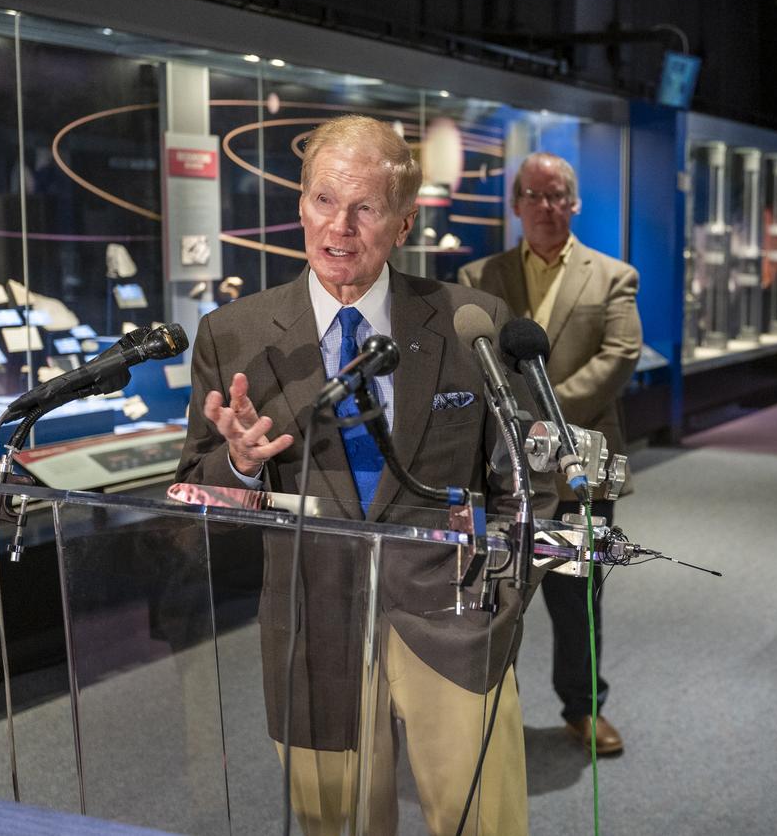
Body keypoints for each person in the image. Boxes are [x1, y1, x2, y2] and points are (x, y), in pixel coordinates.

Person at [176, 115, 556, 835]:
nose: (339, 227)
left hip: (455, 622)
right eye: (324, 200)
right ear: (300, 205)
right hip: (313, 628)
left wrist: (500, 601)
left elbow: (529, 484)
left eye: (366, 208)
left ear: (404, 222)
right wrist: (240, 463)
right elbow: (196, 490)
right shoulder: (234, 335)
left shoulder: (472, 321)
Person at [458, 151, 642, 756]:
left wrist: (543, 415)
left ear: (574, 203)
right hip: (499, 475)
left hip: (576, 471)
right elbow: (467, 362)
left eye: (557, 194)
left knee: (576, 598)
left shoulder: (612, 276)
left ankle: (584, 709)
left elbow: (618, 356)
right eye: (533, 195)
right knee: (494, 599)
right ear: (515, 204)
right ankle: (492, 711)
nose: (545, 206)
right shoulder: (476, 277)